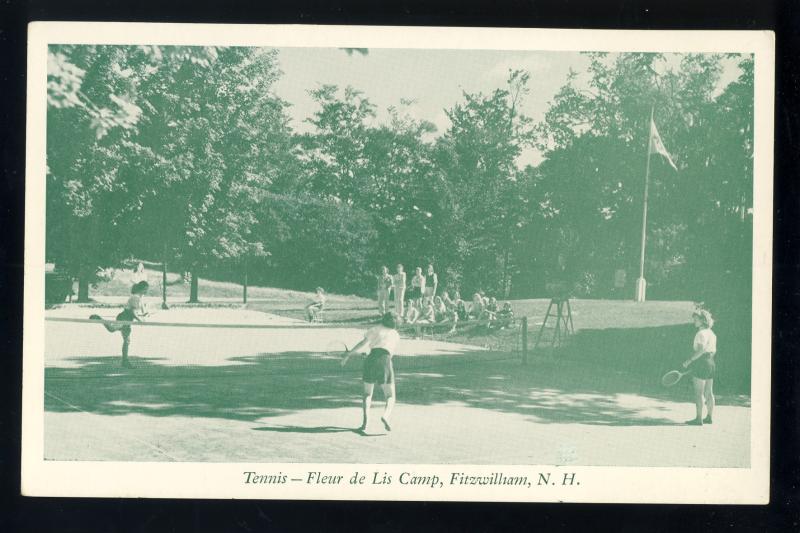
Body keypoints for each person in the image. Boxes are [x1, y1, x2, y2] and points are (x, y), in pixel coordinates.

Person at [341, 312, 400, 433]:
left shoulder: (374, 329)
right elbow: (386, 353)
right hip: (385, 361)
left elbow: (364, 344)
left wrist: (349, 353)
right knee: (390, 396)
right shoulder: (395, 334)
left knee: (367, 394)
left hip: (371, 359)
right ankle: (386, 416)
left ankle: (365, 423)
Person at [90, 280, 150, 368]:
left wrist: (144, 314)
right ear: (141, 289)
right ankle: (99, 319)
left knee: (127, 341)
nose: (146, 291)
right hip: (124, 318)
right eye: (145, 289)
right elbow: (132, 312)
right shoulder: (135, 298)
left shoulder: (139, 298)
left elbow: (137, 311)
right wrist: (139, 320)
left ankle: (125, 361)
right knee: (112, 329)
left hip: (128, 320)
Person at [682, 309, 717, 426]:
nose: (694, 321)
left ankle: (698, 419)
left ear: (702, 320)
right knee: (709, 392)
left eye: (696, 319)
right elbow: (713, 351)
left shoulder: (701, 333)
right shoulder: (712, 333)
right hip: (711, 362)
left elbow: (701, 350)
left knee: (699, 393)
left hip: (701, 363)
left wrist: (689, 361)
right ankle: (709, 417)